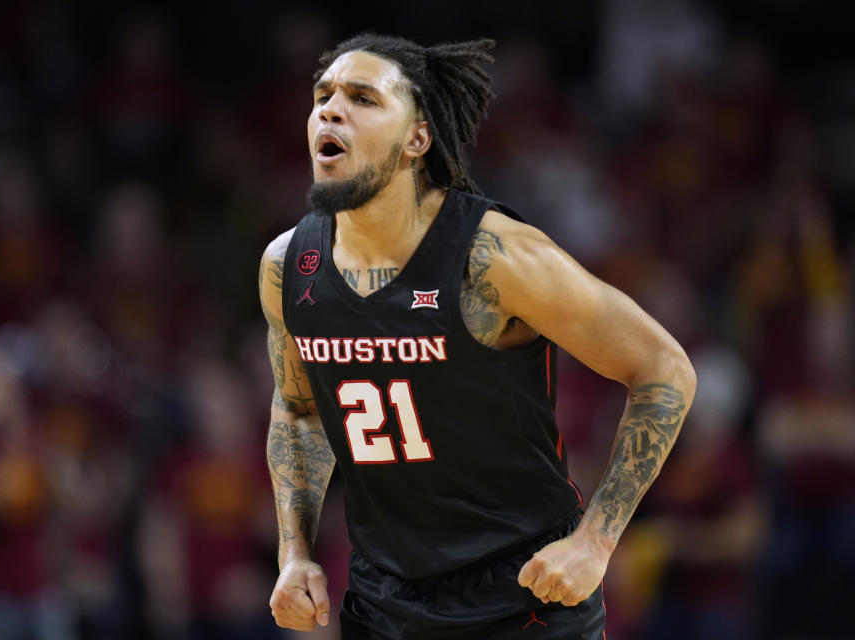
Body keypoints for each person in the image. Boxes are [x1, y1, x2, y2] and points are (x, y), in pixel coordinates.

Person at [258, 33, 697, 639]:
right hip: (385, 602)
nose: (330, 110)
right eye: (323, 95)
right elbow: (300, 410)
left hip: (523, 597)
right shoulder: (288, 265)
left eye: (362, 97)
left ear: (418, 138)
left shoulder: (492, 257)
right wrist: (295, 552)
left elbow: (663, 368)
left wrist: (595, 544)